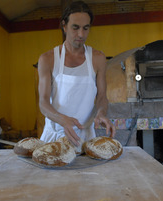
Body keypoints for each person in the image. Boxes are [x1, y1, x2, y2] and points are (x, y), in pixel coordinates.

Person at [38, 1, 115, 146]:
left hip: (85, 137)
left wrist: (101, 113)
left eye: (86, 28)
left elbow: (102, 96)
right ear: (64, 26)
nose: (81, 34)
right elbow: (43, 102)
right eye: (75, 28)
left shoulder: (98, 58)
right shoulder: (48, 59)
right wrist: (62, 119)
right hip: (55, 136)